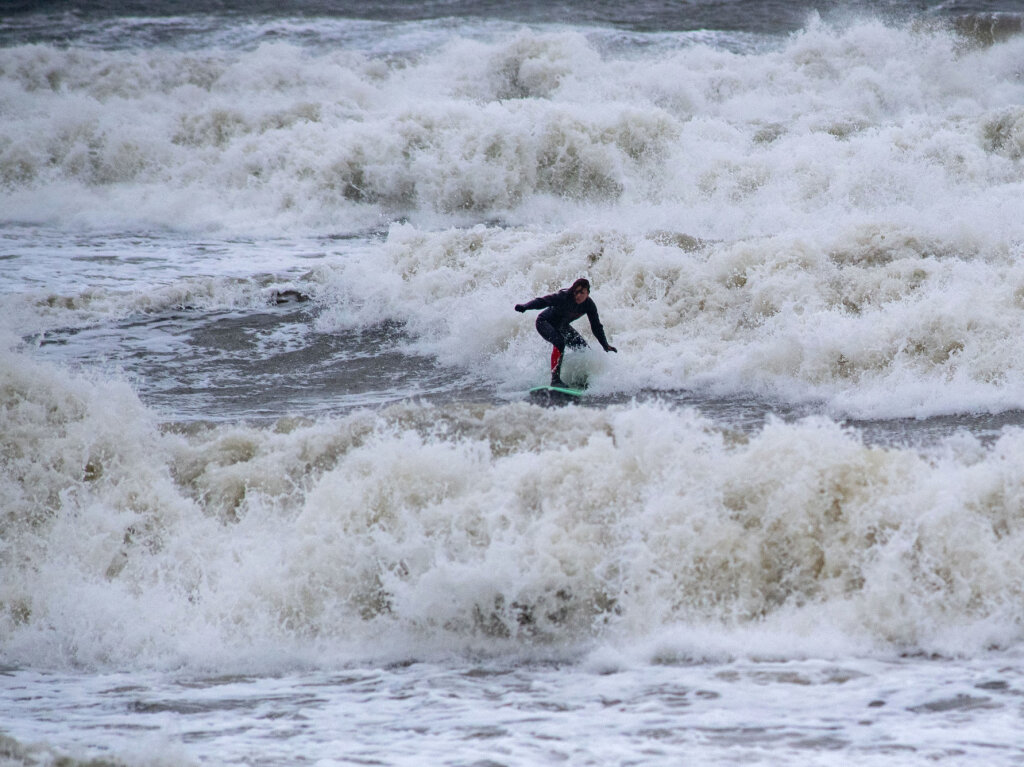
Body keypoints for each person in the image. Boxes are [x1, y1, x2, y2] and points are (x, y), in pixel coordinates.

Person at [515, 278, 617, 387]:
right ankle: (555, 379)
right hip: (544, 322)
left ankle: (580, 379)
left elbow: (596, 326)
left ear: (587, 293)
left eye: (582, 293)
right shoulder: (564, 297)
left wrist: (605, 345)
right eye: (576, 292)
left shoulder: (589, 305)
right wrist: (525, 306)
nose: (578, 295)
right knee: (559, 342)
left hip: (562, 326)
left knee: (583, 350)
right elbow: (543, 301)